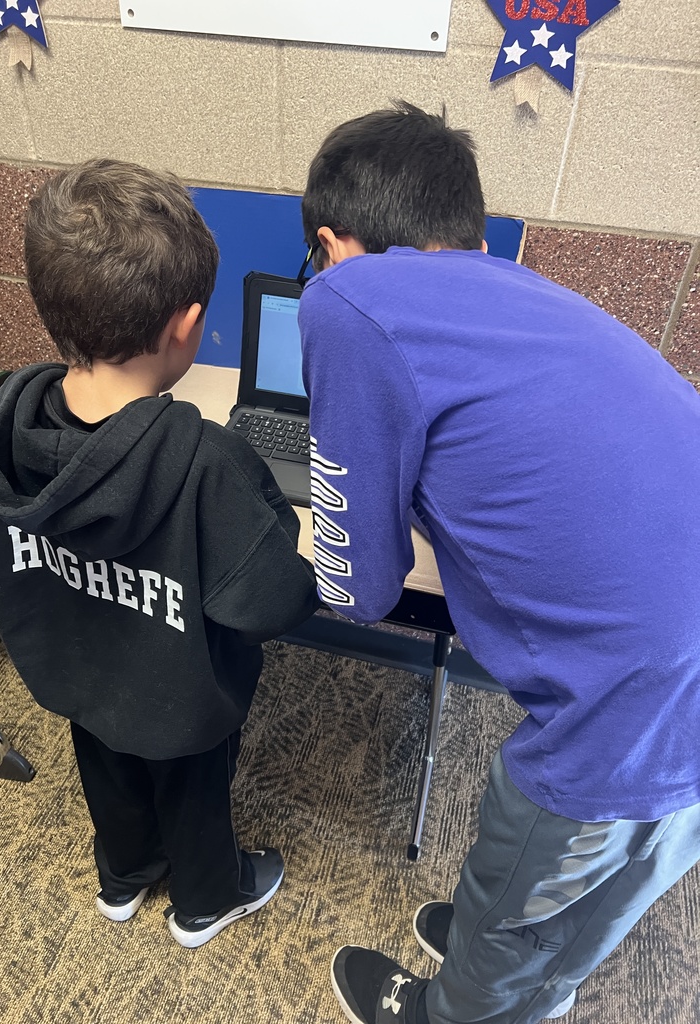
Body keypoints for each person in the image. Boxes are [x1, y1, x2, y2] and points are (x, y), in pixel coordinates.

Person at [297, 101, 700, 1024]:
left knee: (533, 859)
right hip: (682, 648)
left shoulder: (347, 297)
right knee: (623, 872)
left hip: (637, 691)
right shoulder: (527, 294)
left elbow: (357, 590)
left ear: (330, 244)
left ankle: (469, 1000)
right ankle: (533, 981)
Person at [0, 158, 318, 948]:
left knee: (110, 774)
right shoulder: (206, 463)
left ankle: (122, 880)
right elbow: (269, 600)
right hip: (183, 697)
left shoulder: (1, 433)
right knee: (194, 792)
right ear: (186, 327)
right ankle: (204, 903)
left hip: (77, 677)